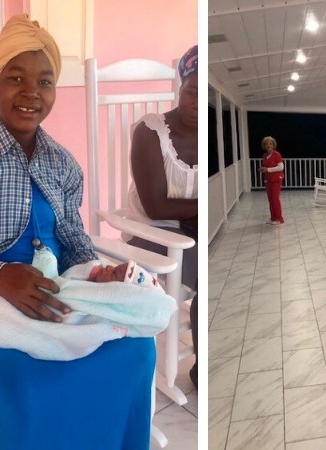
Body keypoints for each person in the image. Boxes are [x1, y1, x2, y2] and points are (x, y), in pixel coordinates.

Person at [0, 14, 154, 450]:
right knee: (30, 391)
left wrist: (99, 273)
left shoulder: (62, 163)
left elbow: (74, 242)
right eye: (16, 77)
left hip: (56, 292)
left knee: (135, 350)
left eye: (45, 81)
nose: (31, 93)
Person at [126, 45, 199, 388]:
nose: (197, 102)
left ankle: (203, 359)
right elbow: (155, 206)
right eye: (191, 91)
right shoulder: (150, 132)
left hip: (189, 229)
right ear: (179, 87)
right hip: (152, 232)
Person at [259, 136, 285, 224]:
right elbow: (267, 167)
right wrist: (263, 169)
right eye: (266, 144)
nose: (268, 145)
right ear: (264, 146)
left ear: (273, 145)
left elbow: (281, 167)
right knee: (270, 199)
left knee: (275, 199)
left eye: (270, 144)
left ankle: (279, 218)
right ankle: (273, 217)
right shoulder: (265, 155)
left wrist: (268, 170)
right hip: (268, 180)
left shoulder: (277, 154)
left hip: (276, 180)